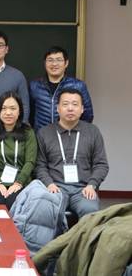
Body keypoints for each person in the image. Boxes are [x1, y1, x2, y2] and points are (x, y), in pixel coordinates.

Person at [36, 88, 109, 218]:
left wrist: (92, 185)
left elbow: (101, 164)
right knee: (46, 210)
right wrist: (49, 184)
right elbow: (40, 165)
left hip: (83, 189)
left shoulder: (93, 131)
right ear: (57, 108)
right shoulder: (44, 133)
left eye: (75, 104)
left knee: (90, 210)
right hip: (56, 188)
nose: (70, 108)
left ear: (82, 109)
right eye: (65, 104)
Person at [0, 91, 37, 209]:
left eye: (13, 108)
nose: (8, 113)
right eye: (4, 108)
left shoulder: (28, 132)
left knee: (14, 204)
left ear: (19, 111)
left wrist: (19, 182)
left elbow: (30, 161)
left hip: (22, 182)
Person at [29, 46, 94, 131]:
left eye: (59, 60)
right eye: (50, 60)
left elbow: (88, 114)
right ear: (45, 63)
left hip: (69, 135)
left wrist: (75, 132)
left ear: (66, 63)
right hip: (41, 135)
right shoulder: (34, 86)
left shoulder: (78, 85)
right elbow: (30, 113)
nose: (54, 64)